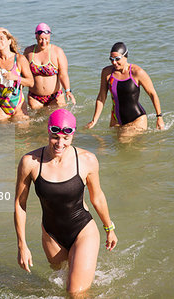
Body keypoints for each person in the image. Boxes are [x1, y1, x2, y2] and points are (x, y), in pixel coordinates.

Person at [14, 109, 117, 297]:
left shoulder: (87, 160)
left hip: (82, 230)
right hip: (51, 236)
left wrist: (109, 228)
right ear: (47, 132)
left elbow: (97, 197)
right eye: (55, 137)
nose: (60, 143)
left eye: (65, 138)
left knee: (74, 293)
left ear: (73, 136)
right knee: (60, 287)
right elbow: (20, 205)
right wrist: (22, 245)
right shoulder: (30, 163)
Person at [86, 42, 165, 137]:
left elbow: (152, 94)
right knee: (116, 147)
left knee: (123, 139)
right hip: (116, 119)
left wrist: (159, 117)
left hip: (137, 119)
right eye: (111, 59)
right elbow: (101, 97)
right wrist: (94, 120)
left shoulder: (137, 72)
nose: (114, 62)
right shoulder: (107, 73)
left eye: (117, 59)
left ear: (125, 56)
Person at [24, 23, 76, 109]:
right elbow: (23, 72)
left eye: (46, 39)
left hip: (55, 96)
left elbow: (63, 74)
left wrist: (68, 91)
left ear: (50, 37)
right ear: (36, 37)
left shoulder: (57, 52)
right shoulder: (29, 52)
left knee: (55, 121)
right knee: (36, 122)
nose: (43, 42)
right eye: (40, 39)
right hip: (34, 97)